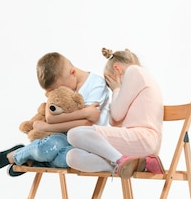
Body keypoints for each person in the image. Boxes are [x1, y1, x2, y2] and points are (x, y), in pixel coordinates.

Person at [0, 52, 110, 176]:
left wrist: (48, 126)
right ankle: (14, 156)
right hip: (62, 136)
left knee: (64, 159)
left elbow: (86, 122)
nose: (56, 93)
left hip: (85, 142)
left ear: (73, 72)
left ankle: (28, 155)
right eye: (52, 91)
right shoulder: (65, 83)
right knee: (51, 145)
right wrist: (83, 112)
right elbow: (50, 116)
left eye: (58, 89)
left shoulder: (95, 84)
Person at [65, 47, 164, 179]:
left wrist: (116, 90)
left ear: (117, 69)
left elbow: (116, 115)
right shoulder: (138, 79)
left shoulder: (134, 71)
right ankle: (130, 165)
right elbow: (114, 122)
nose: (111, 87)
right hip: (138, 142)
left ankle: (120, 160)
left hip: (143, 139)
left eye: (109, 81)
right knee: (72, 157)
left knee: (74, 133)